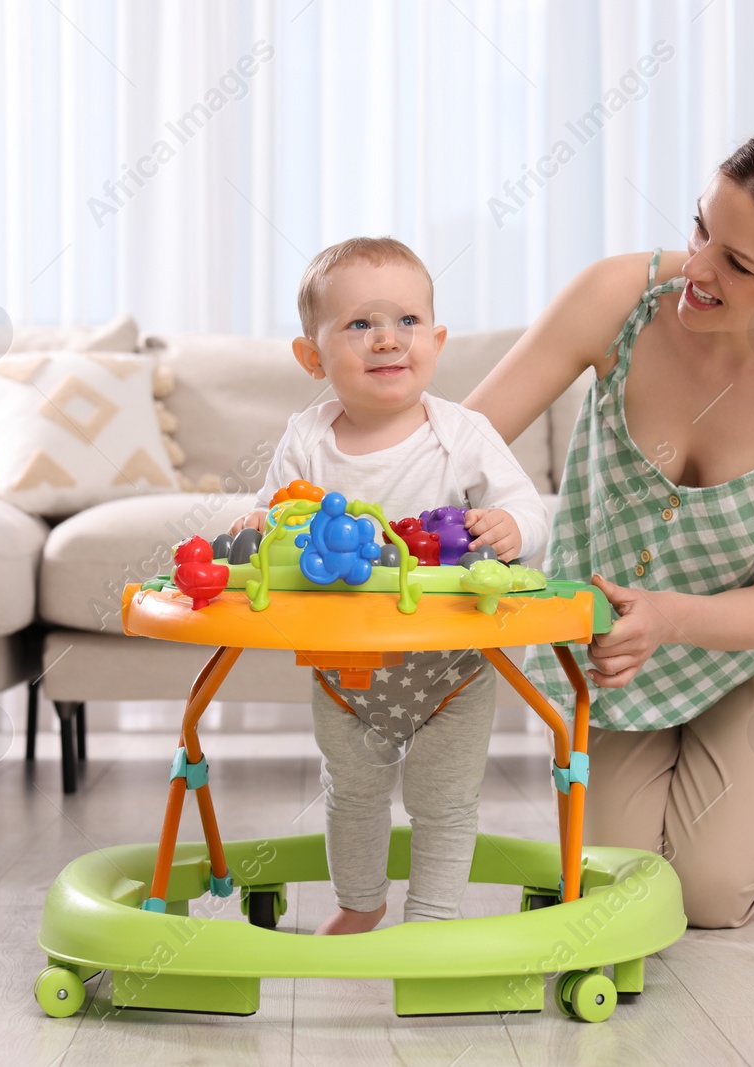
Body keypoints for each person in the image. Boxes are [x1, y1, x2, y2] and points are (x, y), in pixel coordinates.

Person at [466, 124, 754, 928]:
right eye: (701, 227)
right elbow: (461, 447)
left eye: (737, 264)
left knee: (707, 896)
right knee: (618, 882)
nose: (695, 268)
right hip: (613, 643)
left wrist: (671, 617)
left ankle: (739, 824)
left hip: (752, 639)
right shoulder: (620, 297)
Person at [231, 237, 548, 934]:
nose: (386, 341)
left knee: (444, 798)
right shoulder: (307, 440)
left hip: (455, 664)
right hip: (348, 666)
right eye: (359, 324)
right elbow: (273, 515)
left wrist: (511, 528)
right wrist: (259, 522)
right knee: (352, 790)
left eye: (407, 322)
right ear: (311, 356)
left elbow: (529, 510)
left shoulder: (462, 433)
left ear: (435, 340)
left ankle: (433, 920)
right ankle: (360, 902)